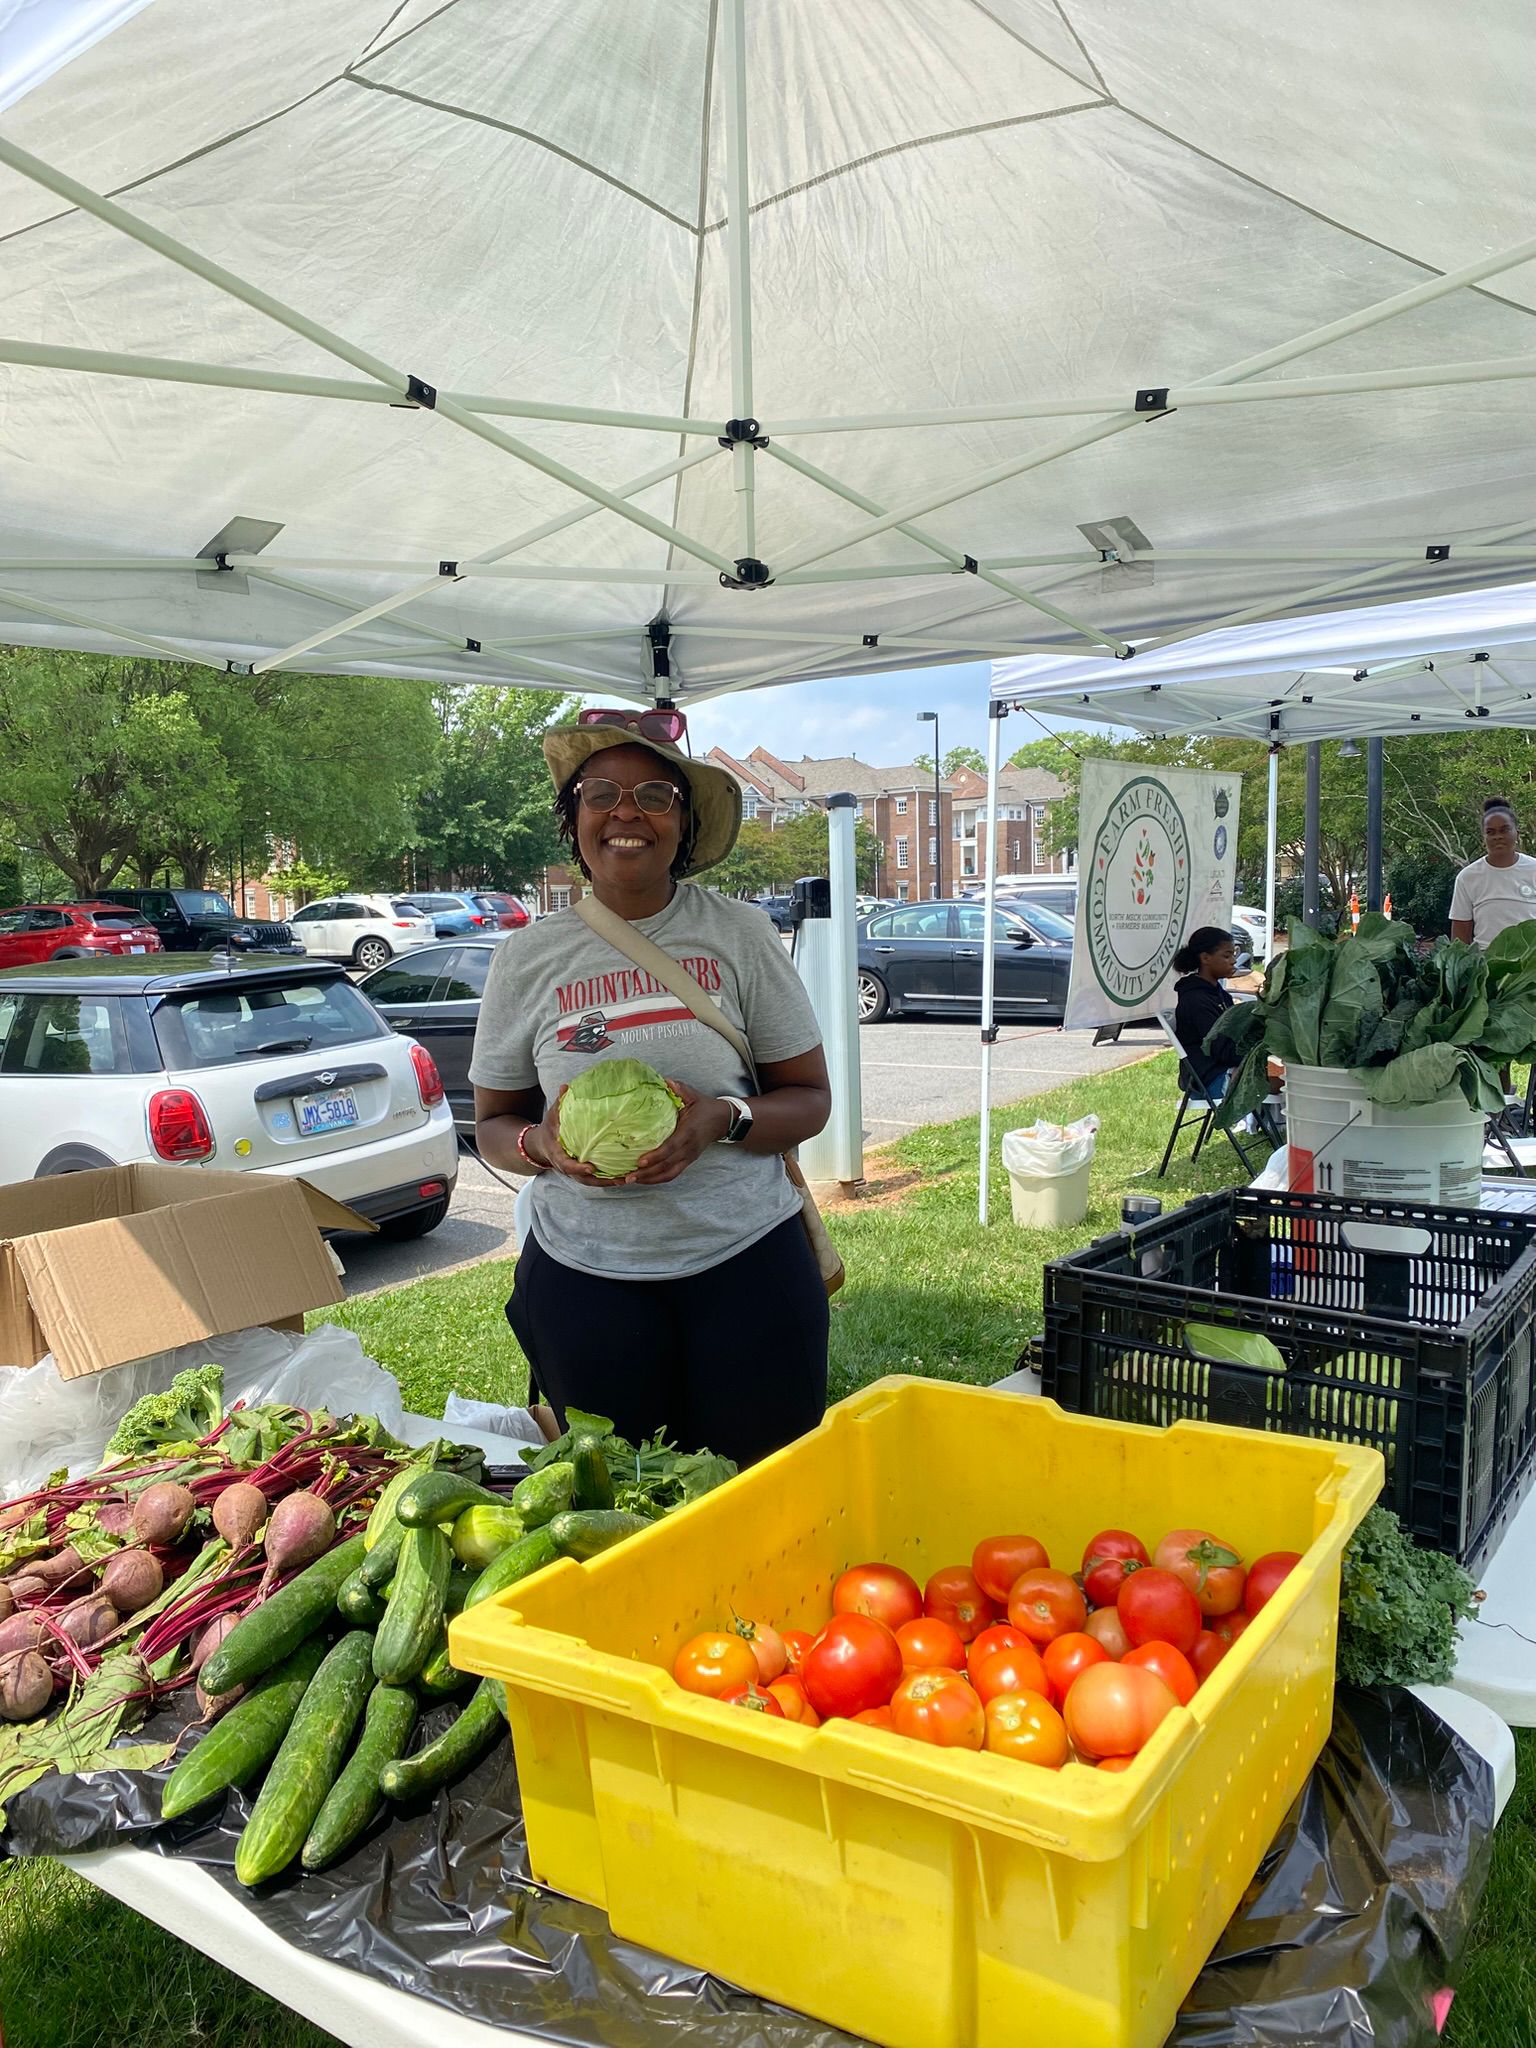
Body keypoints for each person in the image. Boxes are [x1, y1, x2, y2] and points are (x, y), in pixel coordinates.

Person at [470, 709, 833, 1469]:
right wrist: (544, 1144)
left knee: (762, 1485)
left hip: (747, 1268)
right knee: (628, 1500)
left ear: (683, 824)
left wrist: (721, 1120)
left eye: (655, 797)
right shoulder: (526, 958)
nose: (626, 813)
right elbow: (497, 1125)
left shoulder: (738, 934)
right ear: (573, 821)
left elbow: (807, 1100)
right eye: (600, 793)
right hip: (585, 1283)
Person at [1450, 799, 1536, 946]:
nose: (1498, 836)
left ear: (1517, 833)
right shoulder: (1467, 878)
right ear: (1484, 837)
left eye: (1504, 830)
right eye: (1490, 832)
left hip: (1530, 963)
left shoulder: (1533, 869)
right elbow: (1460, 936)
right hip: (1486, 964)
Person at [1172, 926, 1238, 1101]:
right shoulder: (1196, 1000)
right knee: (1287, 1082)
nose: (1233, 961)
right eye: (1227, 955)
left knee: (1286, 1077)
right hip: (1208, 1081)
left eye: (1233, 955)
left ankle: (1273, 1127)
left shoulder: (1220, 994)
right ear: (1205, 958)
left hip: (1223, 1071)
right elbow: (1222, 1050)